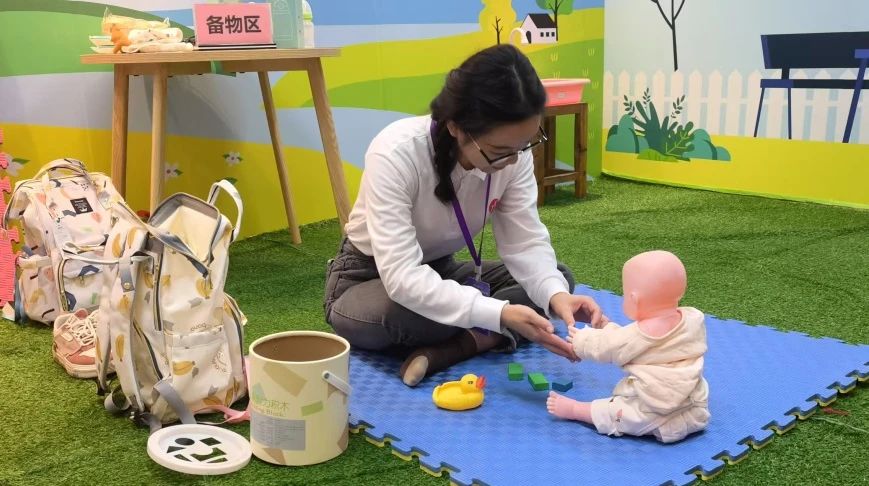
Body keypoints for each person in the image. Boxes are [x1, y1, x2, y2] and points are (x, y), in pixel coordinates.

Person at [324, 44, 605, 387]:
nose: (513, 160)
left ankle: (458, 347)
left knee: (557, 280)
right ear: (456, 126)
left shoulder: (512, 156)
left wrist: (556, 297)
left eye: (525, 145)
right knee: (408, 313)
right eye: (499, 151)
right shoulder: (396, 152)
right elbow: (401, 278)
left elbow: (525, 242)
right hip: (368, 279)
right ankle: (487, 333)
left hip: (441, 270)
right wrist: (499, 312)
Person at [546, 250, 710, 443]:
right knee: (693, 390)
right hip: (693, 407)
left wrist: (581, 339)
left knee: (614, 411)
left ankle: (576, 410)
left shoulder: (638, 334)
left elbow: (609, 346)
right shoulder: (693, 320)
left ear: (634, 298)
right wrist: (607, 327)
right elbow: (633, 343)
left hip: (653, 413)